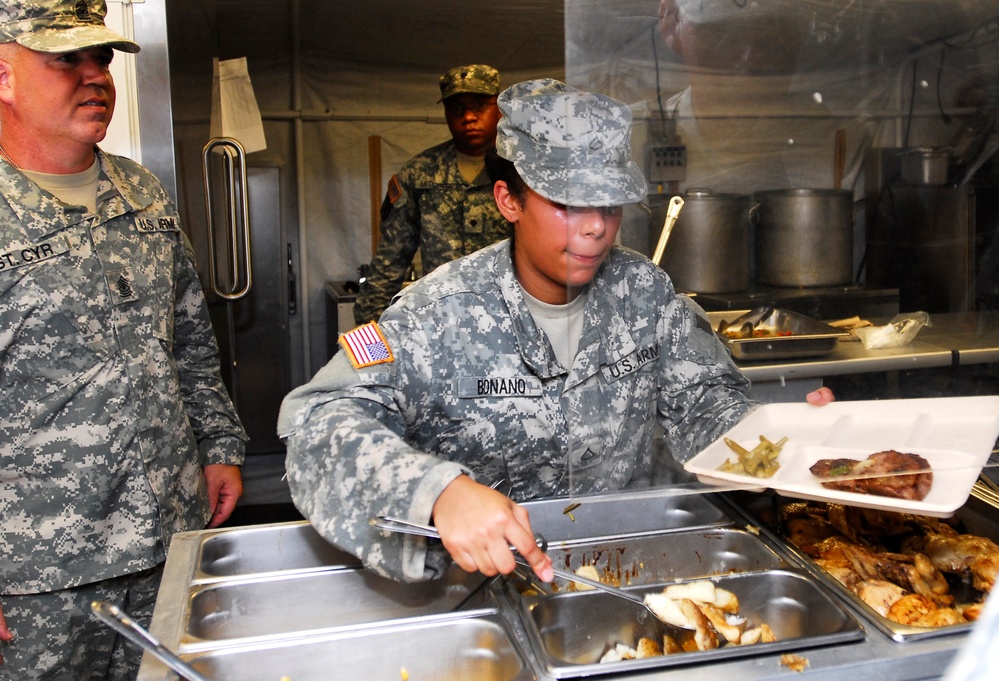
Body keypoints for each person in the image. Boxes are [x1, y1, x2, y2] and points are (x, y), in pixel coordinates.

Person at [279, 78, 833, 587]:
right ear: (508, 201)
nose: (596, 226)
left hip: (625, 575)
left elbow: (704, 405)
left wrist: (777, 437)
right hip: (483, 590)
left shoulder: (645, 293)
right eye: (569, 203)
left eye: (609, 204)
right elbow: (317, 421)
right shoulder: (435, 315)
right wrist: (437, 492)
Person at [0, 1, 248, 678]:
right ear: (4, 75)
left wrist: (219, 444)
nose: (95, 77)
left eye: (101, 58)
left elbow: (190, 336)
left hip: (168, 536)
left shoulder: (139, 190)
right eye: (65, 60)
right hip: (39, 572)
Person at [352, 63, 512, 325]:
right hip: (442, 327)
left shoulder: (519, 169)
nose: (468, 116)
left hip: (509, 326)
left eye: (479, 105)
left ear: (499, 108)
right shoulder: (421, 174)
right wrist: (370, 344)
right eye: (457, 108)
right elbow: (387, 267)